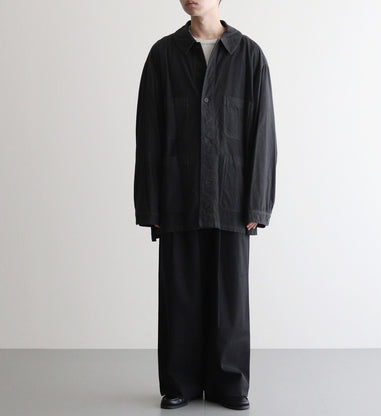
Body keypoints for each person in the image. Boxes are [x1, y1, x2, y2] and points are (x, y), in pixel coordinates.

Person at [134, 0, 277, 410]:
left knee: (229, 299)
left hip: (232, 200)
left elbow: (263, 133)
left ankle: (229, 384)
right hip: (178, 197)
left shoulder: (249, 56)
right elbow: (149, 133)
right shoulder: (163, 56)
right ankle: (179, 383)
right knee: (180, 296)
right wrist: (151, 206)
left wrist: (258, 204)